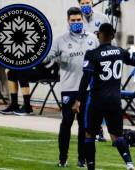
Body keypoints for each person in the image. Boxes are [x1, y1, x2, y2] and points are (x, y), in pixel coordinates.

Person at [72, 23, 135, 170]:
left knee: (89, 133)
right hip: (115, 101)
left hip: (97, 100)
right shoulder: (120, 51)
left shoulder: (92, 54)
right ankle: (129, 164)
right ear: (113, 35)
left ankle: (91, 167)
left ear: (98, 35)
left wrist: (78, 99)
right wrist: (133, 49)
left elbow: (86, 77)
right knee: (116, 135)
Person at [44, 7, 99, 167]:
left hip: (88, 89)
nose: (76, 23)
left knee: (84, 125)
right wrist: (40, 58)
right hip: (69, 88)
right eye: (73, 20)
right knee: (67, 122)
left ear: (83, 19)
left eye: (78, 20)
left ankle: (82, 159)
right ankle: (63, 158)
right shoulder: (60, 40)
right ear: (67, 21)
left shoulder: (92, 39)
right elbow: (47, 57)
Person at [78, 0, 111, 142]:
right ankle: (90, 128)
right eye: (83, 2)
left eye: (88, 1)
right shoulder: (77, 20)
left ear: (92, 2)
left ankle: (99, 129)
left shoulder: (102, 18)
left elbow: (110, 39)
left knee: (98, 97)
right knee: (87, 98)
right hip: (85, 64)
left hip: (100, 63)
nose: (86, 4)